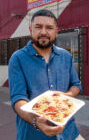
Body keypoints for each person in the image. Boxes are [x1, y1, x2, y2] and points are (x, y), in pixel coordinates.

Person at [8, 9, 84, 140]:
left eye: (49, 27)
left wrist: (66, 95)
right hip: (34, 134)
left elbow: (76, 85)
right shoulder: (18, 58)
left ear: (56, 31)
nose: (43, 32)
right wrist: (36, 121)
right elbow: (18, 99)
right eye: (38, 27)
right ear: (30, 29)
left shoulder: (66, 56)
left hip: (69, 132)